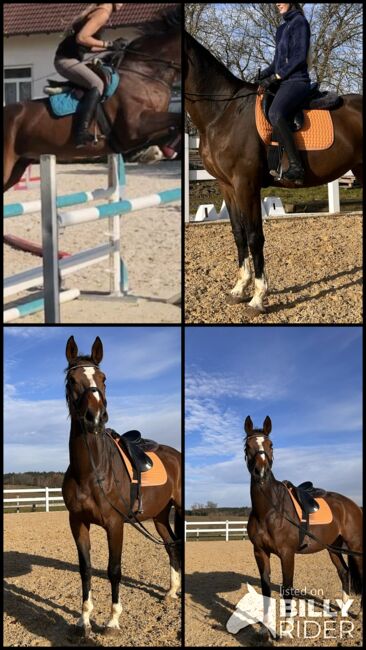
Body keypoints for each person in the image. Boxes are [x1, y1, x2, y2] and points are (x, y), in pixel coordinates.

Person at [54, 4, 123, 147]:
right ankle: (80, 133)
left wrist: (112, 46)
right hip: (66, 61)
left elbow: (88, 45)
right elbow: (82, 38)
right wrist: (108, 44)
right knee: (97, 84)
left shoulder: (101, 11)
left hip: (69, 59)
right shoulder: (103, 13)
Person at [256, 3, 311, 184]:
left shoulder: (299, 22)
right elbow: (276, 63)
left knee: (275, 112)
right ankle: (272, 164)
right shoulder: (281, 29)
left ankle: (296, 167)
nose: (277, 3)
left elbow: (299, 57)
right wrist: (264, 74)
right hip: (283, 82)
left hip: (297, 81)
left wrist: (276, 77)